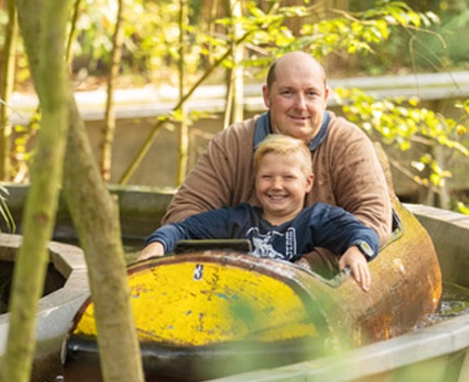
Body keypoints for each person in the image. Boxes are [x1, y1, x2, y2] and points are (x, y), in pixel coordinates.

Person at [160, 51, 392, 272]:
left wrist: (307, 264)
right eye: (288, 93)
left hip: (323, 281)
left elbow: (374, 219)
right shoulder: (231, 143)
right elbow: (183, 213)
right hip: (234, 273)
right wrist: (236, 259)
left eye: (311, 93)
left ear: (325, 97)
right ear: (267, 96)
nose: (300, 105)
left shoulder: (348, 143)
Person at [138, 134, 379, 290]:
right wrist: (157, 245)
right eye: (267, 177)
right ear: (255, 182)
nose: (276, 185)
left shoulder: (317, 219)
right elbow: (182, 230)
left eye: (288, 178)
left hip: (289, 306)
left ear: (308, 183)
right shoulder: (237, 219)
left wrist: (356, 250)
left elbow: (363, 232)